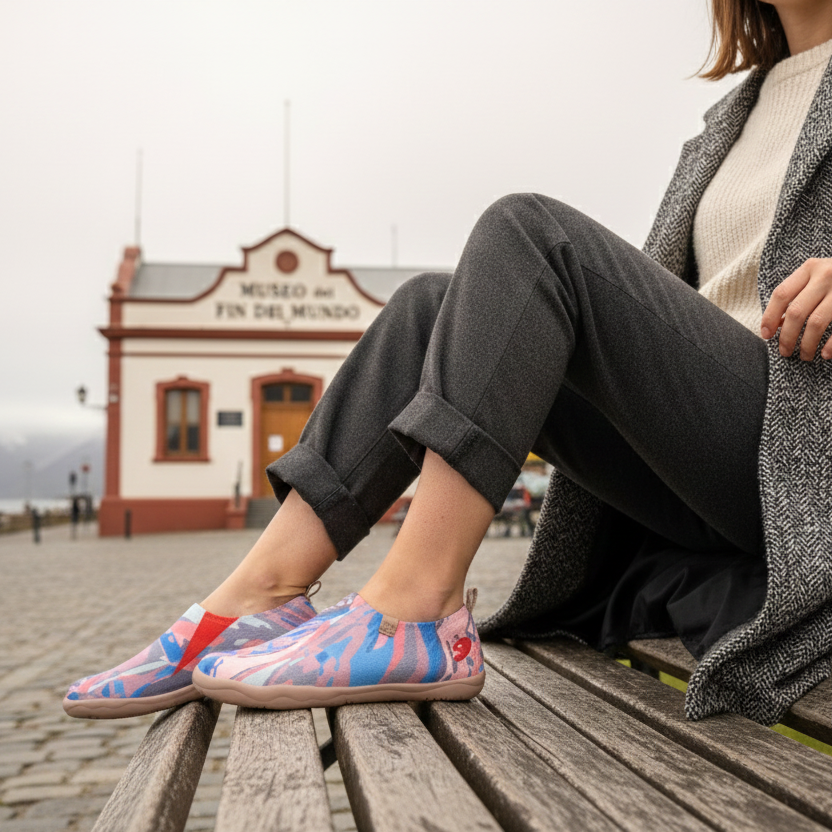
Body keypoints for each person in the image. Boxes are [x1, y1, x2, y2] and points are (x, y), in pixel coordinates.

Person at [64, 0, 832, 725]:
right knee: (430, 304)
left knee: (532, 235)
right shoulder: (732, 117)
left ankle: (415, 609)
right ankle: (254, 599)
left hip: (806, 451)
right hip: (706, 458)